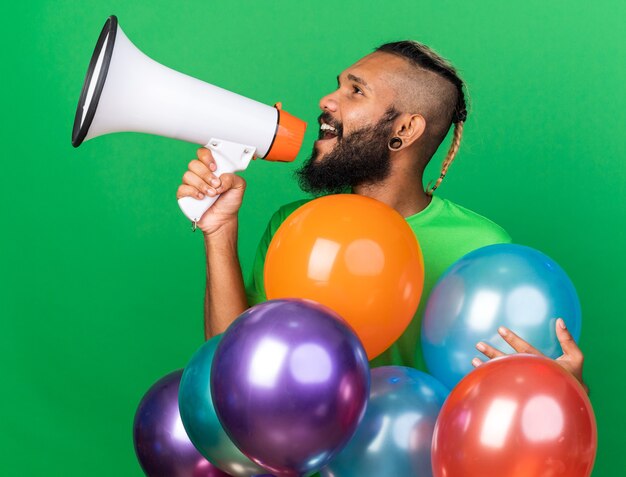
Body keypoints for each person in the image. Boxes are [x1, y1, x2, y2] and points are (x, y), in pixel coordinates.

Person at [176, 40, 586, 390]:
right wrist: (220, 230)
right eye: (338, 85)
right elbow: (233, 371)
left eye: (356, 92)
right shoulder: (293, 226)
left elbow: (509, 394)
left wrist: (562, 384)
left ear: (404, 131)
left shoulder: (482, 249)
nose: (327, 100)